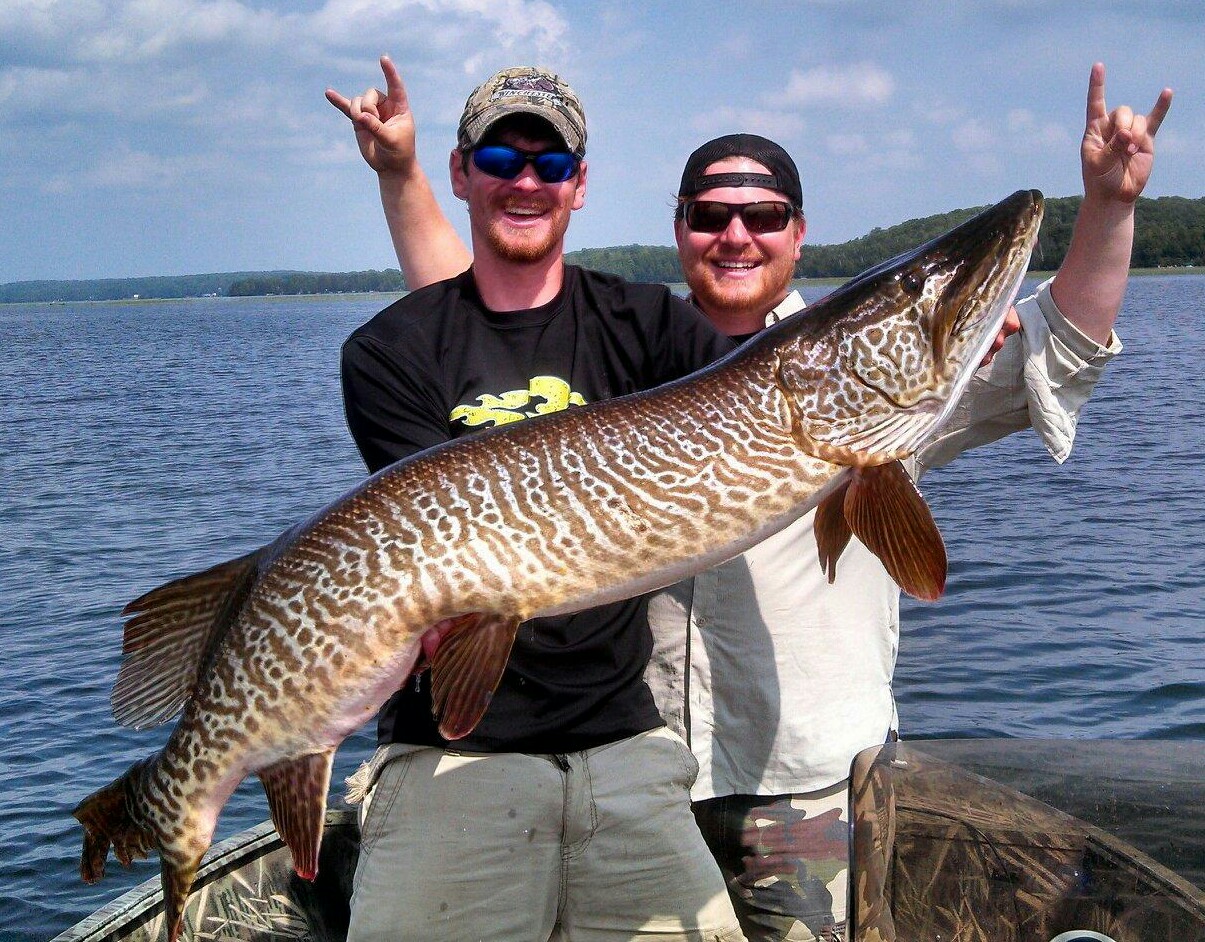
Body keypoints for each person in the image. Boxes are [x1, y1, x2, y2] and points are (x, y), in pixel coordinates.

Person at [328, 60, 1171, 942]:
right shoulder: (635, 353)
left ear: (797, 234)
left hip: (801, 783)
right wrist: (403, 180)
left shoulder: (883, 371)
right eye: (709, 216)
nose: (736, 235)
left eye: (762, 217)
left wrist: (1108, 209)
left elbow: (1062, 343)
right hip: (639, 772)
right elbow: (475, 314)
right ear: (681, 230)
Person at [335, 66, 748, 942]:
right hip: (452, 759)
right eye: (500, 156)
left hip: (624, 748)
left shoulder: (649, 325)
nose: (525, 180)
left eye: (549, 164)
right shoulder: (391, 351)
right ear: (460, 173)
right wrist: (394, 177)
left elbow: (762, 388)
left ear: (579, 185)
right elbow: (457, 540)